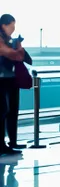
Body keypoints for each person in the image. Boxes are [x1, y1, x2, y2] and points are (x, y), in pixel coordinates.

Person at [0, 15, 28, 155]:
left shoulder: (7, 39)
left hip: (11, 79)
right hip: (2, 80)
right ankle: (2, 146)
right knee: (3, 111)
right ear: (4, 25)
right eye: (12, 25)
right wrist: (18, 47)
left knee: (10, 110)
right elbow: (13, 55)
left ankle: (11, 142)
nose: (13, 28)